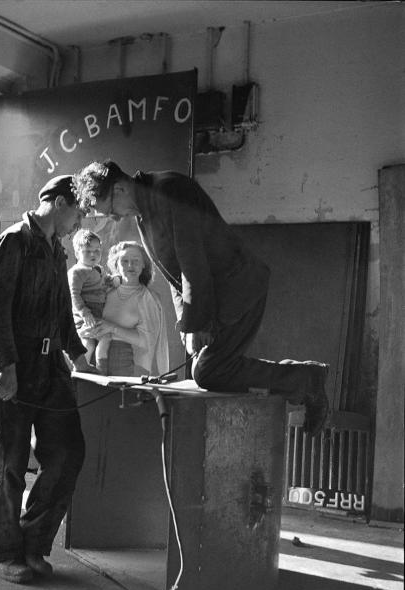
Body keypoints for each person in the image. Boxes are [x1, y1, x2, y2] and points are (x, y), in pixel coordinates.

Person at [72, 160, 329, 436]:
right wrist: (185, 321)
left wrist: (196, 325)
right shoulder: (143, 215)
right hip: (216, 298)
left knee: (209, 372)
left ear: (120, 188)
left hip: (239, 288)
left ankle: (307, 379)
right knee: (204, 368)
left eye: (109, 210)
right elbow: (173, 275)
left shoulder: (170, 190)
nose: (113, 217)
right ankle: (300, 379)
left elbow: (193, 263)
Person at [0, 175, 95, 584]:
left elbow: (61, 313)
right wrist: (5, 366)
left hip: (49, 370)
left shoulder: (55, 252)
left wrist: (79, 356)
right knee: (9, 462)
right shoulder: (14, 241)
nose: (79, 223)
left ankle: (32, 541)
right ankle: (4, 552)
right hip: (12, 369)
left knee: (68, 451)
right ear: (59, 203)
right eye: (77, 212)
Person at [89, 240, 169, 376]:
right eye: (124, 261)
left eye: (136, 261)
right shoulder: (104, 291)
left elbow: (146, 341)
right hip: (94, 359)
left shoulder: (148, 298)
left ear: (144, 264)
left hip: (128, 365)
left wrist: (112, 328)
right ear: (116, 264)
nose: (130, 265)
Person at [67, 229, 117, 370]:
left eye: (97, 250)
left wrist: (111, 280)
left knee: (99, 339)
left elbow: (103, 280)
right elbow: (73, 294)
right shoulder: (77, 271)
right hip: (86, 315)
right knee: (92, 341)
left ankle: (92, 368)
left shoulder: (98, 269)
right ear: (77, 254)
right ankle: (87, 369)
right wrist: (84, 312)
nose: (93, 254)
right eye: (87, 251)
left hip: (97, 312)